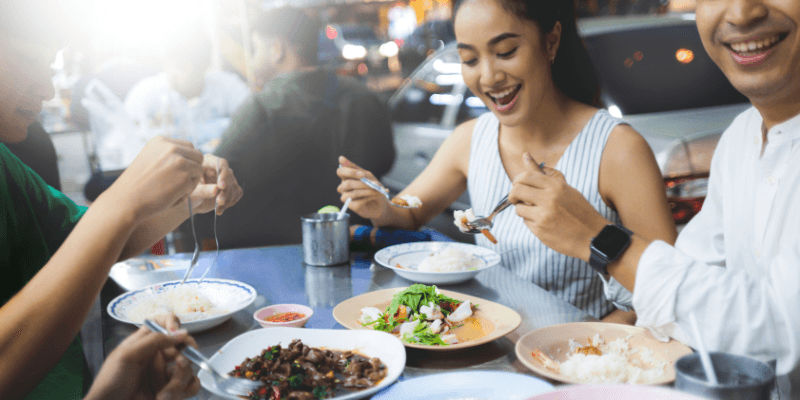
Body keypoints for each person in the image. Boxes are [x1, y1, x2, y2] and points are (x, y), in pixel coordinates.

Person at [507, 0, 800, 396]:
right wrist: (598, 242)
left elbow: (779, 324)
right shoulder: (740, 138)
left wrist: (603, 240)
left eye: (507, 50)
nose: (742, 12)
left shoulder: (617, 140)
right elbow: (688, 283)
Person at [337, 0, 676, 322]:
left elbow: (665, 290)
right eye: (470, 60)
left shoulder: (618, 149)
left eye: (505, 52)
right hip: (493, 345)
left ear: (551, 41)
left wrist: (576, 350)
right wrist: (381, 207)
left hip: (583, 359)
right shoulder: (470, 139)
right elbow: (409, 213)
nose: (488, 77)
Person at [0, 1, 244, 398]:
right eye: (28, 61)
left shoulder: (5, 165)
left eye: (49, 69)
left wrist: (186, 202)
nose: (45, 90)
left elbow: (84, 240)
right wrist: (122, 201)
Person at [189, 7, 396, 249]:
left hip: (273, 257)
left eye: (256, 50)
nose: (252, 61)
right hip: (360, 248)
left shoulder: (261, 108)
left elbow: (216, 191)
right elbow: (385, 161)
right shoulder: (365, 97)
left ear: (277, 49)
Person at [123, 20, 251, 158]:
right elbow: (125, 144)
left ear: (204, 67)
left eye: (182, 67)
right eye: (168, 65)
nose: (172, 74)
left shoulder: (228, 86)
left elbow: (252, 126)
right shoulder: (145, 94)